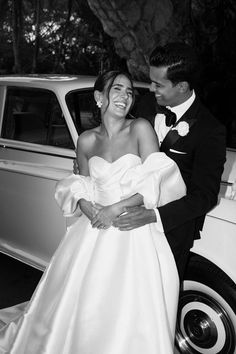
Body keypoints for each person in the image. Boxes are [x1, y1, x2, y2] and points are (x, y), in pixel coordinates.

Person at [0, 70, 186, 354]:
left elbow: (156, 180)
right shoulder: (86, 140)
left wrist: (116, 209)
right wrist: (89, 209)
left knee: (132, 306)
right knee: (83, 304)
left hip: (132, 227)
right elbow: (83, 183)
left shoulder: (140, 129)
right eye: (117, 90)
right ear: (99, 97)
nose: (125, 96)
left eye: (129, 92)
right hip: (95, 225)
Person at [114, 42, 226, 280]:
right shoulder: (145, 105)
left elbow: (204, 196)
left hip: (171, 231)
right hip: (126, 221)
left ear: (182, 86)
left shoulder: (210, 130)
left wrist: (153, 215)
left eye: (158, 84)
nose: (151, 88)